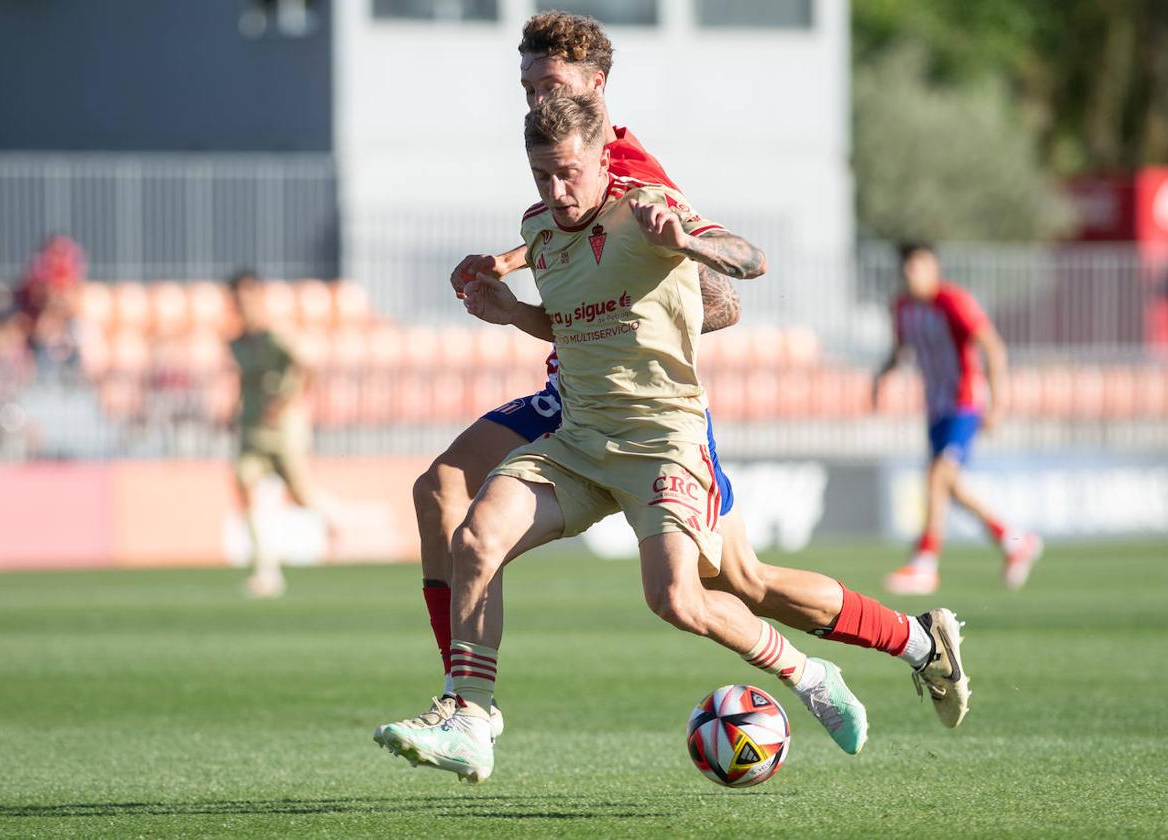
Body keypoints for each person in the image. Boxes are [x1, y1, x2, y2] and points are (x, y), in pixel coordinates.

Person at [405, 10, 969, 750]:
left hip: (652, 414)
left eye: (550, 83)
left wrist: (657, 290)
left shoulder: (640, 183)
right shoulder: (549, 203)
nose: (537, 100)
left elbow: (727, 297)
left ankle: (896, 648)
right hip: (577, 401)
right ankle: (466, 703)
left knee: (718, 586)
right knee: (449, 495)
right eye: (527, 86)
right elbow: (569, 244)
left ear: (594, 87)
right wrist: (521, 282)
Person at [374, 94, 881, 784]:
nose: (556, 191)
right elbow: (578, 326)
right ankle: (472, 719)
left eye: (569, 173)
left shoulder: (647, 208)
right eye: (541, 176)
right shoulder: (542, 233)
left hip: (663, 443)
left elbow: (751, 260)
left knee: (677, 598)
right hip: (579, 441)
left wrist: (687, 241)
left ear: (600, 159)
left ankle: (809, 673)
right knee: (475, 537)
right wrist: (514, 311)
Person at [874, 243, 1043, 595]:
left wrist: (997, 404)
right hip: (935, 409)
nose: (912, 274)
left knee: (938, 475)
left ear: (934, 267)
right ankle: (1015, 541)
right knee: (950, 485)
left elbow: (992, 347)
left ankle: (925, 563)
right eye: (908, 268)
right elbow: (900, 349)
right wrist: (881, 377)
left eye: (919, 266)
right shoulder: (903, 308)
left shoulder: (953, 301)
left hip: (964, 403)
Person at [228, 270, 337, 598]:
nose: (242, 305)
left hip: (285, 429)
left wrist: (287, 399)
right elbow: (245, 381)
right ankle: (266, 571)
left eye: (247, 297)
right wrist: (233, 410)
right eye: (236, 299)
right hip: (251, 428)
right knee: (243, 483)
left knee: (301, 495)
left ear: (258, 297)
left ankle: (339, 520)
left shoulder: (277, 334)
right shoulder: (237, 342)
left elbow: (308, 364)